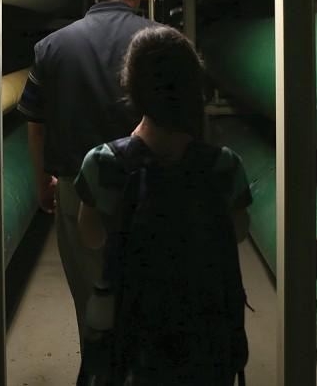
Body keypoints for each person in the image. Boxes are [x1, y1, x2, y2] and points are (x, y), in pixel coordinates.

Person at [74, 25, 252, 386]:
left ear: (131, 86)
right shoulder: (223, 164)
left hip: (131, 341)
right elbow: (238, 232)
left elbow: (91, 238)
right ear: (192, 88)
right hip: (205, 336)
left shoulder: (103, 162)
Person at [17, 0, 154, 351]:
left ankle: (99, 366)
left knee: (92, 292)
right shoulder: (159, 40)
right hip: (149, 189)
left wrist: (43, 181)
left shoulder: (52, 48)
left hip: (77, 190)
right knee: (147, 288)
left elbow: (36, 124)